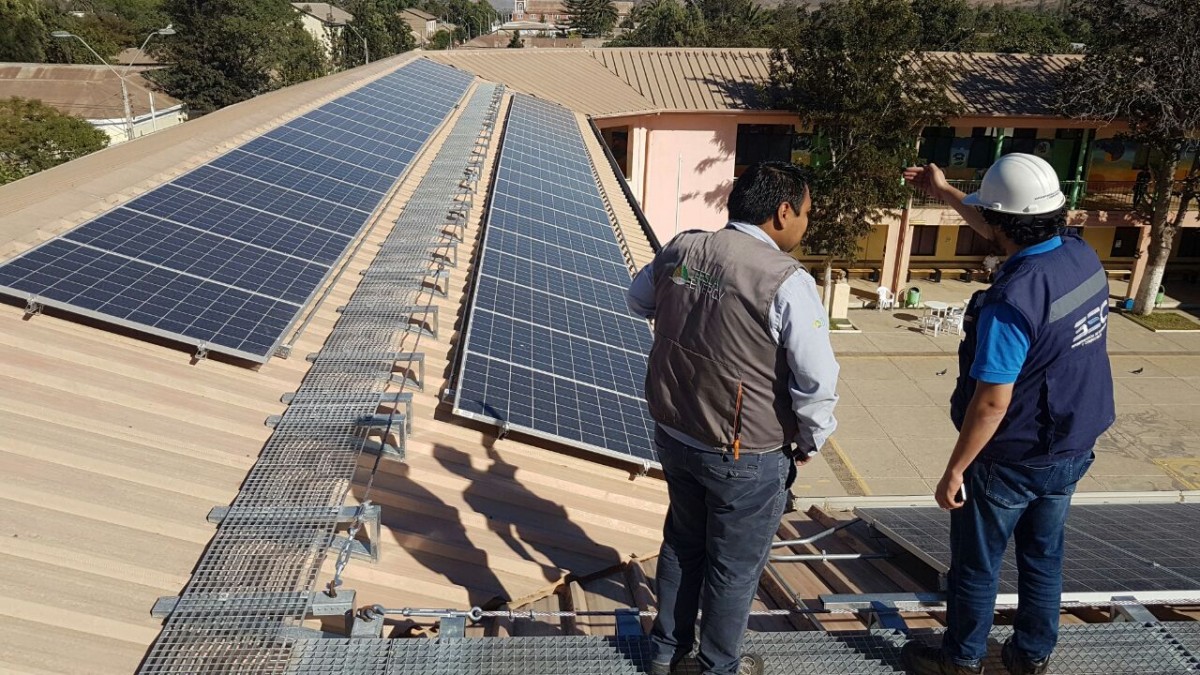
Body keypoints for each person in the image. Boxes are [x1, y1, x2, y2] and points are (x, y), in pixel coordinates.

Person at [900, 154, 1115, 675]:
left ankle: (963, 658)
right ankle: (1032, 654)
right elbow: (999, 224)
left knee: (977, 565)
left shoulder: (1011, 301)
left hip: (1011, 457)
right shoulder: (1078, 255)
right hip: (1071, 445)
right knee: (1043, 557)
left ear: (1003, 223)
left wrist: (955, 470)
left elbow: (992, 400)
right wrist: (945, 191)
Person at [626, 161, 840, 675]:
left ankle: (666, 652)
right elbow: (816, 379)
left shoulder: (682, 247)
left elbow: (638, 301)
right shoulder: (785, 279)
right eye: (806, 212)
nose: (806, 223)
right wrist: (812, 439)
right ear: (782, 212)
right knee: (734, 567)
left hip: (675, 432)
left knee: (681, 543)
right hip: (743, 452)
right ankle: (719, 666)